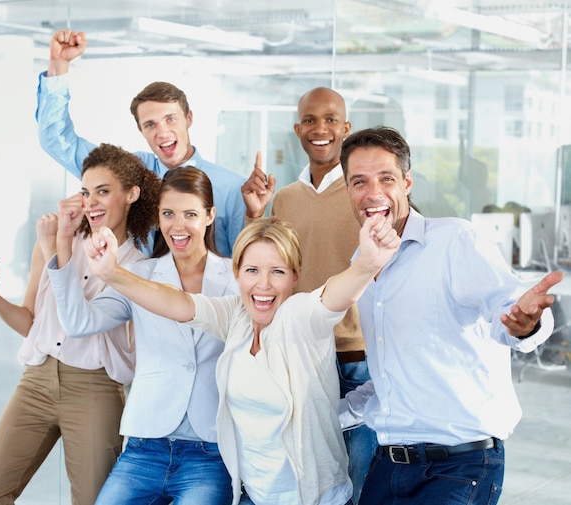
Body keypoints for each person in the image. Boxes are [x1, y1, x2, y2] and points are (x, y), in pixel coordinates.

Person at [75, 212, 400, 505]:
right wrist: (113, 274)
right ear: (237, 274)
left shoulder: (299, 318)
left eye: (278, 271)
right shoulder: (236, 316)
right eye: (252, 270)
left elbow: (332, 296)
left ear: (295, 276)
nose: (264, 284)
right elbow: (176, 303)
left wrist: (366, 265)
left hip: (312, 499)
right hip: (253, 497)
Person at [337, 126, 564, 505]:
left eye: (386, 178)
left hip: (459, 465)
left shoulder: (455, 242)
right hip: (389, 465)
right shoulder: (361, 265)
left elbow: (508, 310)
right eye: (359, 181)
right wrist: (322, 416)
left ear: (407, 182)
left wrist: (526, 324)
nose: (373, 192)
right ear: (347, 190)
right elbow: (390, 376)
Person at [0, 143, 159, 505]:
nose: (92, 202)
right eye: (86, 192)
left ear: (131, 194)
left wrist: (59, 245)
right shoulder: (55, 243)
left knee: (91, 501)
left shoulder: (139, 268)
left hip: (95, 389)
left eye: (103, 191)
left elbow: (80, 323)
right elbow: (30, 323)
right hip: (35, 382)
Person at [46, 167, 237, 504]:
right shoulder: (138, 275)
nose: (178, 226)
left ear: (210, 216)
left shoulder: (236, 277)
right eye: (168, 214)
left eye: (190, 214)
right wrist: (63, 242)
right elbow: (79, 323)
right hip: (144, 445)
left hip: (210, 451)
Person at [241, 86, 375, 502]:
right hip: (299, 355)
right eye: (311, 121)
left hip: (356, 358)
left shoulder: (365, 194)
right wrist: (255, 214)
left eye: (332, 119)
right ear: (298, 128)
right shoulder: (285, 197)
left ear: (346, 128)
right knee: (312, 480)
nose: (321, 129)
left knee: (356, 479)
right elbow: (267, 267)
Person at [36, 29, 246, 257]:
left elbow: (243, 262)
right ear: (140, 130)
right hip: (133, 289)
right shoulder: (130, 172)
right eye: (150, 124)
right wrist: (58, 65)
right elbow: (57, 141)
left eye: (170, 119)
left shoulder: (232, 188)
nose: (162, 132)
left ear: (189, 119)